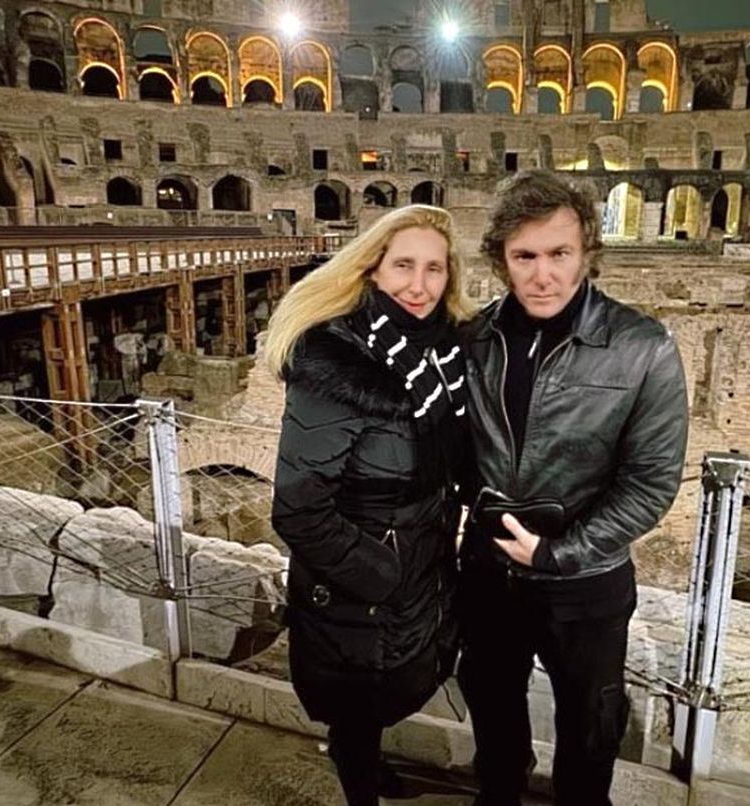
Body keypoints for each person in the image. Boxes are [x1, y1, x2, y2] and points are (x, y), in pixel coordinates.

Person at [458, 171, 689, 805]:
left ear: (588, 251)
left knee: (590, 729)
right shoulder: (474, 338)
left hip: (585, 583)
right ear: (501, 261)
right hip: (489, 575)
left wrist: (559, 554)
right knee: (492, 713)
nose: (543, 275)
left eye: (559, 254)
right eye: (524, 256)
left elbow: (651, 481)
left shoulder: (642, 347)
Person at [267, 204, 474, 806]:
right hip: (364, 574)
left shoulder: (446, 356)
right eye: (403, 265)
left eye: (434, 269)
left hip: (421, 558)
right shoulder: (338, 364)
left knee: (382, 691)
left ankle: (359, 758)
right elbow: (299, 509)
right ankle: (359, 783)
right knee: (360, 694)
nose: (419, 285)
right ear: (372, 269)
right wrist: (383, 574)